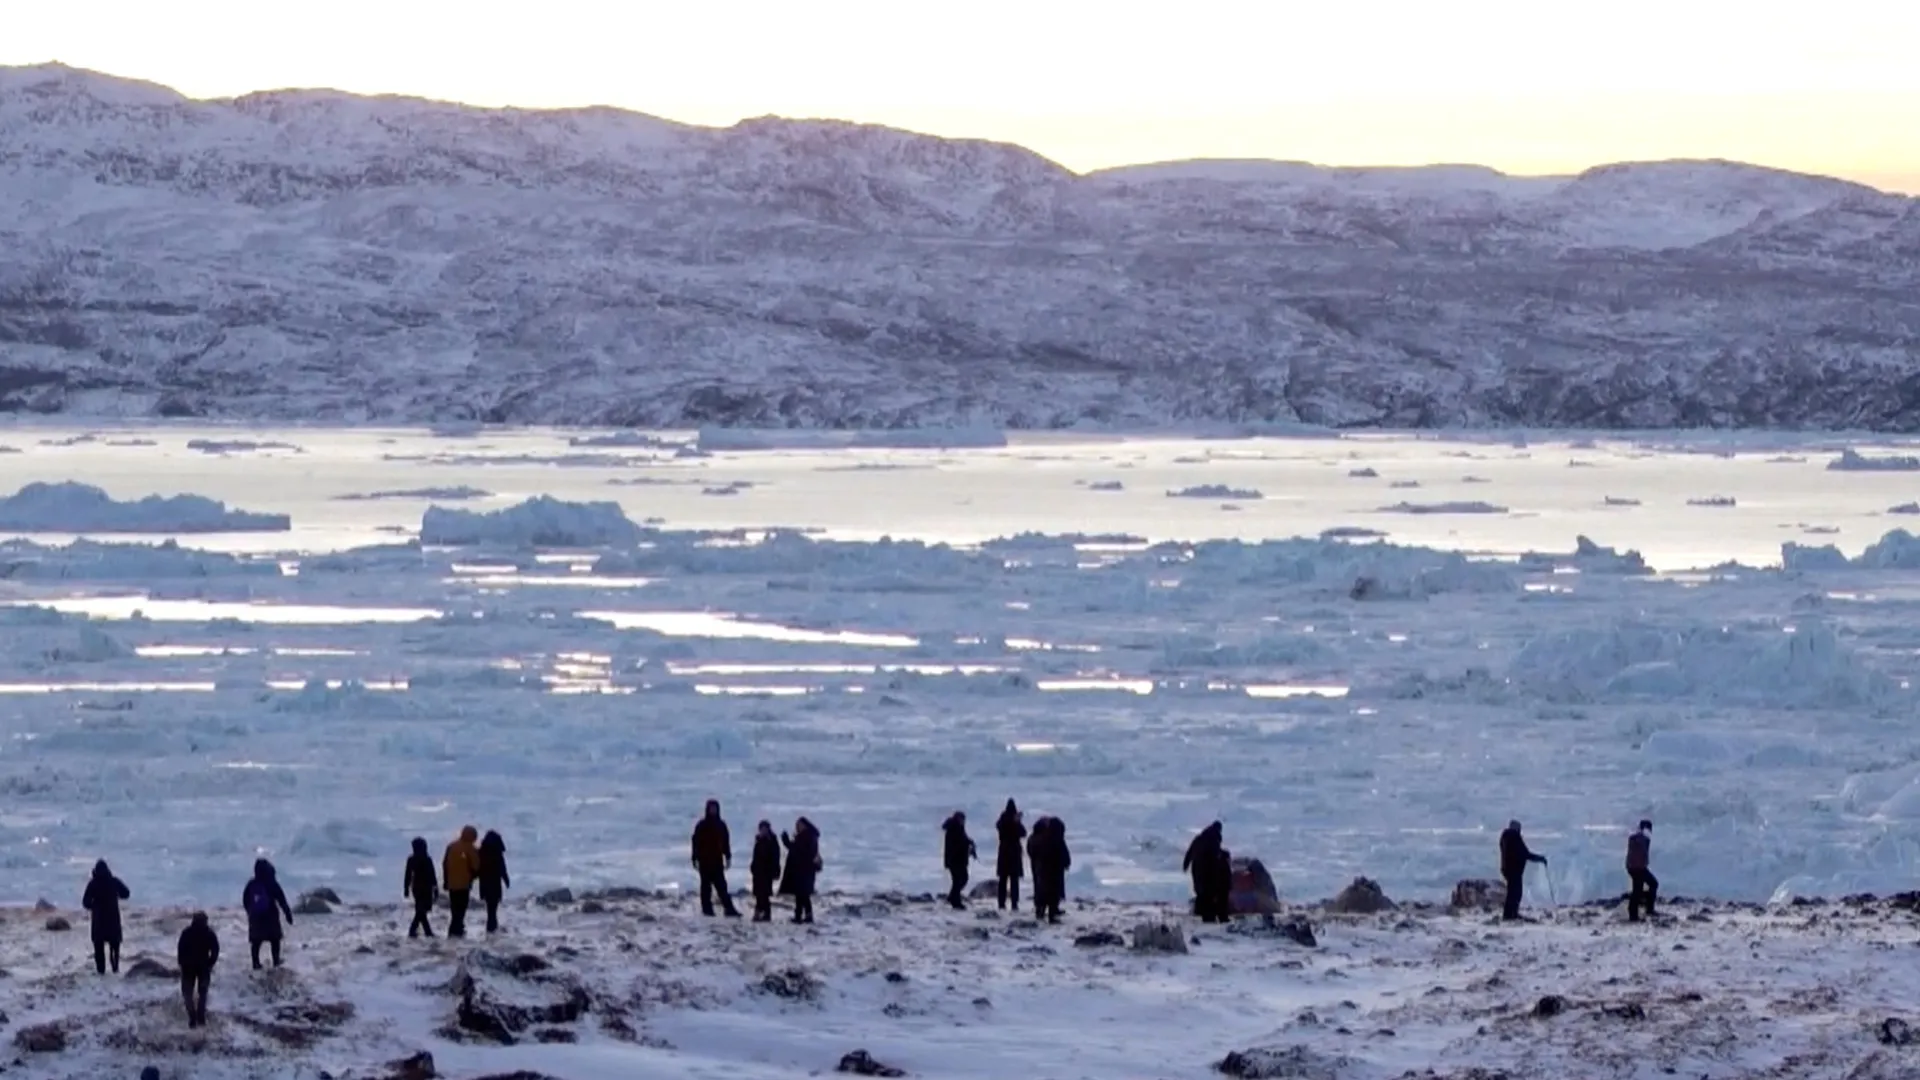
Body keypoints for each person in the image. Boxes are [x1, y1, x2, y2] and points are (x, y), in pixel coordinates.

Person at [691, 799, 740, 917]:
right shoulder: (701, 825)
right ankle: (707, 910)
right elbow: (695, 842)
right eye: (711, 808)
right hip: (704, 860)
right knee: (705, 888)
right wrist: (694, 858)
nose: (713, 810)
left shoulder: (721, 825)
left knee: (722, 887)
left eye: (715, 808)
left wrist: (728, 857)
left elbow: (726, 842)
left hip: (717, 860)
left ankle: (729, 909)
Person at [81, 859, 130, 975]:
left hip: (99, 921)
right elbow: (126, 893)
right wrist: (118, 895)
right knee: (115, 947)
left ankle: (101, 971)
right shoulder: (113, 881)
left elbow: (85, 902)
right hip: (113, 920)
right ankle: (115, 968)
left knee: (99, 950)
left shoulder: (93, 884)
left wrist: (93, 906)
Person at [242, 858, 293, 968]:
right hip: (270, 917)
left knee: (256, 942)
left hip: (256, 918)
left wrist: (249, 912)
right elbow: (282, 900)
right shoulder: (272, 883)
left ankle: (255, 963)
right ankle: (276, 960)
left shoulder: (251, 884)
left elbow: (245, 900)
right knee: (275, 940)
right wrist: (288, 914)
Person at [176, 911, 220, 1028]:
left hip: (188, 967)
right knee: (203, 993)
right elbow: (215, 950)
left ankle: (192, 1017)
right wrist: (211, 963)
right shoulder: (209, 933)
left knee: (187, 994)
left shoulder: (186, 933)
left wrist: (181, 963)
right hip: (203, 966)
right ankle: (201, 1016)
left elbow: (180, 950)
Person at [1499, 819, 1548, 921]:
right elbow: (1525, 854)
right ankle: (1511, 914)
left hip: (1506, 869)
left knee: (1511, 893)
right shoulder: (1515, 838)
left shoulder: (1505, 838)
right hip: (1514, 871)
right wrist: (1540, 859)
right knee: (1516, 893)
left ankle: (1508, 914)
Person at [1028, 817, 1071, 923]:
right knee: (1053, 894)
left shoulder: (1040, 838)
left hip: (1042, 870)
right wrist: (1066, 863)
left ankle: (1040, 912)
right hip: (1055, 872)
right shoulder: (1057, 840)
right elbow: (1064, 855)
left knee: (1042, 892)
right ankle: (1052, 915)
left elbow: (1033, 852)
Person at [780, 817, 821, 924]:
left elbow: (800, 851)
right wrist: (787, 842)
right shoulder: (805, 836)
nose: (797, 827)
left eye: (799, 825)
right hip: (800, 870)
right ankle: (799, 915)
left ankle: (806, 915)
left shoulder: (808, 837)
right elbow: (796, 849)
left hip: (804, 870)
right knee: (800, 894)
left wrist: (787, 842)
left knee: (803, 895)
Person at [442, 825, 480, 937]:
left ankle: (453, 929)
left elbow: (445, 864)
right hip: (464, 884)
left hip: (452, 883)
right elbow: (476, 866)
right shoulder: (470, 849)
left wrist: (446, 880)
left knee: (454, 908)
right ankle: (457, 929)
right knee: (461, 908)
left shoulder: (451, 846)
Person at [1183, 821, 1225, 922]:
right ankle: (1207, 915)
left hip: (1197, 868)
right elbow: (1215, 856)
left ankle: (1200, 911)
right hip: (1208, 870)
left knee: (1200, 891)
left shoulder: (1200, 838)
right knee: (1209, 893)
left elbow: (1190, 851)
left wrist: (1186, 865)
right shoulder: (1215, 839)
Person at [995, 800, 1027, 911]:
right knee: (1014, 880)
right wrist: (1017, 822)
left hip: (1003, 852)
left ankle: (1001, 903)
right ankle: (1014, 903)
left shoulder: (1001, 821)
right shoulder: (1013, 822)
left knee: (1002, 880)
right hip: (1013, 853)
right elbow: (1023, 833)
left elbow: (1000, 827)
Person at [403, 837, 438, 938]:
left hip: (416, 887)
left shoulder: (411, 859)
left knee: (420, 910)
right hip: (426, 887)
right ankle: (415, 930)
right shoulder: (427, 859)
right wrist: (435, 888)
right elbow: (432, 875)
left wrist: (406, 888)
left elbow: (407, 875)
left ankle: (425, 931)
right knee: (422, 910)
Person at [941, 811, 977, 909]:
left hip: (959, 859)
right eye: (962, 819)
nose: (963, 822)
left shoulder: (959, 829)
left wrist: (970, 843)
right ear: (958, 819)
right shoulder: (953, 829)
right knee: (958, 880)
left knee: (962, 879)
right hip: (955, 860)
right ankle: (955, 901)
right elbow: (957, 844)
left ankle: (953, 897)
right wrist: (967, 846)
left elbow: (964, 839)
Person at [478, 830, 511, 934]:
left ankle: (491, 928)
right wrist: (506, 880)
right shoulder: (497, 853)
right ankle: (492, 929)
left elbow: (477, 868)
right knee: (493, 909)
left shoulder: (481, 852)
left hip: (484, 883)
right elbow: (502, 869)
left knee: (490, 908)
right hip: (495, 884)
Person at [1626, 819, 1658, 922]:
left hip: (1632, 867)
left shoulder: (1634, 837)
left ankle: (1638, 911)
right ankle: (1638, 912)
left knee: (1639, 889)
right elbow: (1643, 853)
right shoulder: (1643, 838)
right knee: (1649, 885)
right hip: (1639, 868)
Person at [750, 821, 783, 922]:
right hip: (758, 871)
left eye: (765, 829)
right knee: (759, 894)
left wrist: (775, 870)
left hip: (767, 871)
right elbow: (755, 856)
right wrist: (753, 867)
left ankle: (765, 914)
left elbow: (776, 857)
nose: (763, 831)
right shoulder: (759, 840)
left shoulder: (772, 841)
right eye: (761, 829)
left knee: (764, 894)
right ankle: (759, 913)